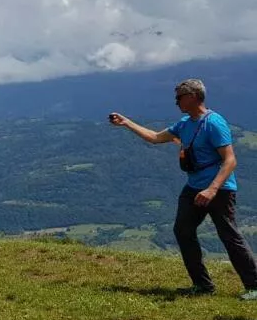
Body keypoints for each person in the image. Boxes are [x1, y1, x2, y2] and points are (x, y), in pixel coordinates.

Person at [110, 78, 257, 300]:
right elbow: (155, 138)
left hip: (218, 189)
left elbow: (230, 160)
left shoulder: (214, 123)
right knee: (183, 230)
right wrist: (126, 123)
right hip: (194, 187)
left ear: (192, 97)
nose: (176, 102)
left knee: (229, 235)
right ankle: (202, 285)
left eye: (179, 97)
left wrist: (212, 190)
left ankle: (254, 286)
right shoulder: (184, 123)